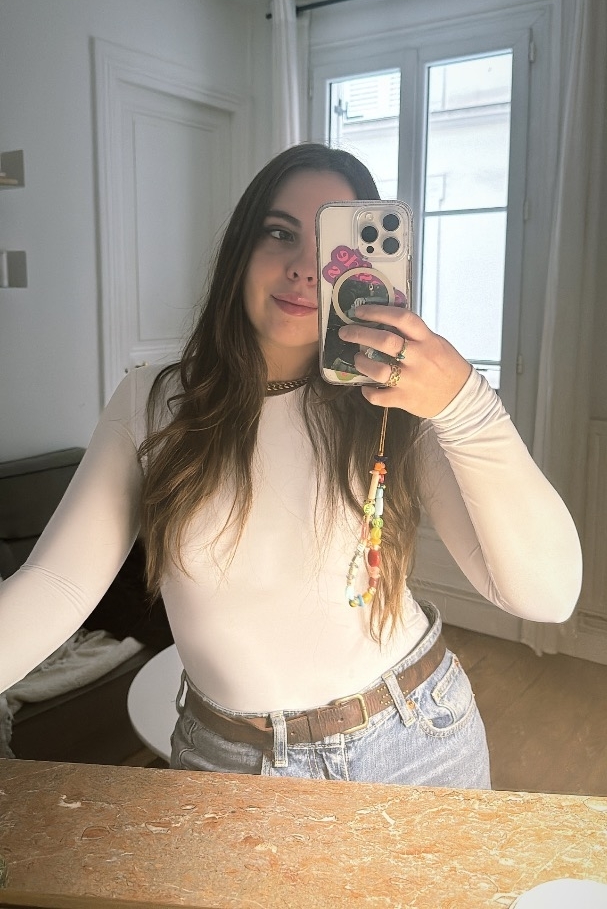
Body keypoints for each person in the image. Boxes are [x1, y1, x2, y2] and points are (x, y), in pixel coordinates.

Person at [0, 143, 582, 787]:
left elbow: (546, 596)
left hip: (416, 743)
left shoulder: (394, 403)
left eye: (333, 246)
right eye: (279, 233)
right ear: (240, 249)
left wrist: (467, 404)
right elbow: (58, 585)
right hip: (226, 762)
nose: (306, 267)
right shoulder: (153, 402)